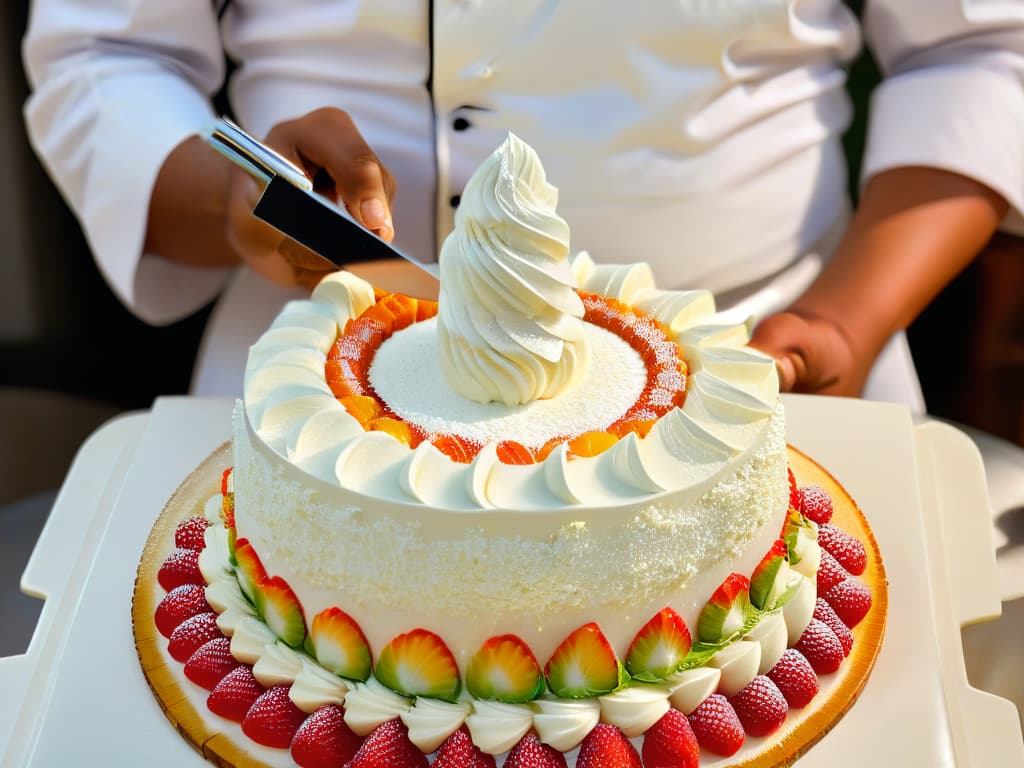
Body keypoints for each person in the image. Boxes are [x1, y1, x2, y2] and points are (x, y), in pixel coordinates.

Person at [21, 1, 1024, 406]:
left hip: (765, 366)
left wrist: (840, 321)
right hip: (309, 372)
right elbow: (108, 51)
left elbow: (975, 46)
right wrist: (241, 203)